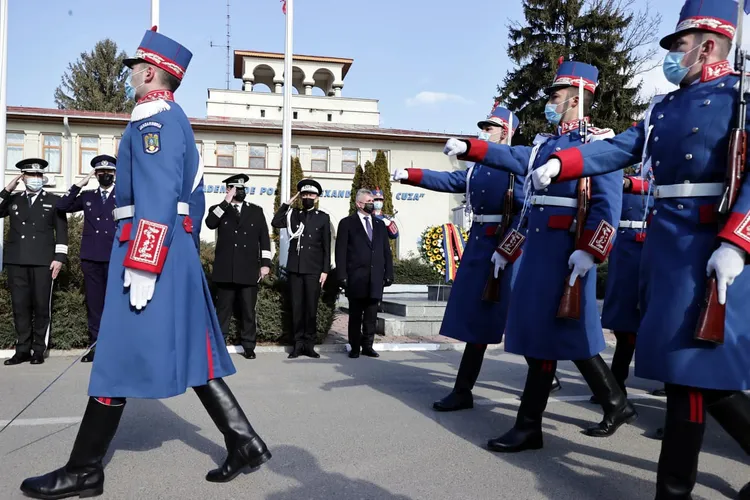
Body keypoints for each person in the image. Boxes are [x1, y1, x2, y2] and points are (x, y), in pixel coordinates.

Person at [20, 28, 271, 499]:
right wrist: (174, 251)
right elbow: (191, 202)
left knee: (115, 354)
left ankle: (84, 469)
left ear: (151, 72)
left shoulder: (152, 121)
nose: (130, 74)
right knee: (193, 351)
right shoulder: (172, 119)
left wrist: (144, 263)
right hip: (167, 251)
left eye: (135, 67)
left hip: (146, 251)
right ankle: (245, 442)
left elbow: (157, 197)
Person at [530, 1, 750, 496]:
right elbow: (619, 149)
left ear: (708, 44)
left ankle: (671, 491)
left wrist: (738, 241)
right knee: (695, 379)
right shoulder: (663, 108)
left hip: (712, 248)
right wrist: (563, 164)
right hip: (668, 250)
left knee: (690, 376)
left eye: (680, 46)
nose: (673, 55)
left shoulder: (743, 97)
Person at [443, 60, 636, 452]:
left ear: (578, 96)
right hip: (538, 257)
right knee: (543, 338)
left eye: (556, 95)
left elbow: (607, 206)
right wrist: (473, 148)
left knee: (548, 340)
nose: (550, 101)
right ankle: (609, 404)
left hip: (566, 257)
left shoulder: (597, 143)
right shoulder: (545, 145)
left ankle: (532, 425)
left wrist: (590, 251)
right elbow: (525, 196)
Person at [392, 103, 559, 413]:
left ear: (507, 131)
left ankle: (545, 372)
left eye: (490, 127)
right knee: (479, 320)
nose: (484, 132)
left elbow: (526, 212)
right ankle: (464, 389)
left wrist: (508, 249)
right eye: (483, 127)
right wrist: (411, 175)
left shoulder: (519, 161)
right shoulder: (478, 167)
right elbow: (450, 181)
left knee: (516, 317)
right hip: (481, 243)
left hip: (507, 247)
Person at [591, 171, 652, 402]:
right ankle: (616, 385)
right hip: (624, 250)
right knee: (623, 323)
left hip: (653, 246)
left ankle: (672, 382)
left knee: (660, 321)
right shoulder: (625, 175)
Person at [1, 159, 68, 366]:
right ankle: (21, 349)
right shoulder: (14, 200)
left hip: (43, 261)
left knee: (41, 306)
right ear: (23, 177)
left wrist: (59, 258)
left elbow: (62, 232)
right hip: (17, 261)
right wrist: (7, 189)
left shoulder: (54, 200)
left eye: (39, 176)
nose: (36, 179)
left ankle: (38, 349)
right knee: (20, 306)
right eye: (31, 175)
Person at [56, 155, 118, 363]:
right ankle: (96, 345)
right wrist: (78, 184)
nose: (105, 176)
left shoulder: (124, 196)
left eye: (109, 173)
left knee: (116, 304)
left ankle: (117, 346)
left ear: (115, 174)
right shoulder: (88, 196)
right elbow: (62, 206)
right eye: (101, 173)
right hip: (91, 257)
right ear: (95, 175)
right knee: (94, 304)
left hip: (114, 256)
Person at [205, 174, 272, 360]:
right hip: (226, 271)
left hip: (249, 270)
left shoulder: (256, 211)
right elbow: (210, 223)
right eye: (236, 189)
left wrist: (265, 264)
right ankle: (219, 345)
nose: (241, 192)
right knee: (223, 311)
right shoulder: (219, 209)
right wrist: (225, 202)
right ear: (229, 190)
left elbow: (264, 239)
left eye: (243, 189)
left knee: (248, 311)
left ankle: (249, 345)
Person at [271, 178, 331, 359]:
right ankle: (297, 345)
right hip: (296, 268)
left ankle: (309, 344)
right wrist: (286, 204)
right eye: (304, 194)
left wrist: (325, 270)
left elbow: (327, 246)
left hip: (313, 269)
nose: (307, 198)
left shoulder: (323, 217)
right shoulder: (294, 214)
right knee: (297, 307)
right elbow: (276, 222)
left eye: (311, 195)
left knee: (311, 308)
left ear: (317, 198)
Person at [335, 189, 394, 358]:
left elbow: (386, 251)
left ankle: (368, 345)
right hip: (356, 277)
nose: (372, 203)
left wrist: (388, 273)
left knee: (371, 315)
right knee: (355, 315)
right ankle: (354, 347)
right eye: (369, 200)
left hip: (375, 278)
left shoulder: (380, 224)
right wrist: (342, 275)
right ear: (359, 204)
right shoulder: (347, 223)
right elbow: (340, 252)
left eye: (373, 200)